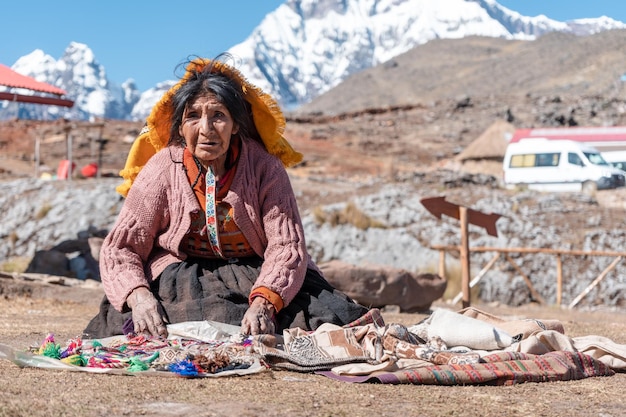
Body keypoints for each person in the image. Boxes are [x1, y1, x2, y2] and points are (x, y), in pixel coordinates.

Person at [83, 55, 369, 339]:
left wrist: (264, 304)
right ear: (180, 128)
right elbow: (121, 248)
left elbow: (287, 247)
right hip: (179, 277)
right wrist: (140, 297)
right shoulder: (163, 167)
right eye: (193, 116)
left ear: (235, 125)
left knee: (319, 319)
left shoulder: (264, 167)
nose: (206, 129)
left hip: (256, 273)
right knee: (134, 322)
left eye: (218, 115)